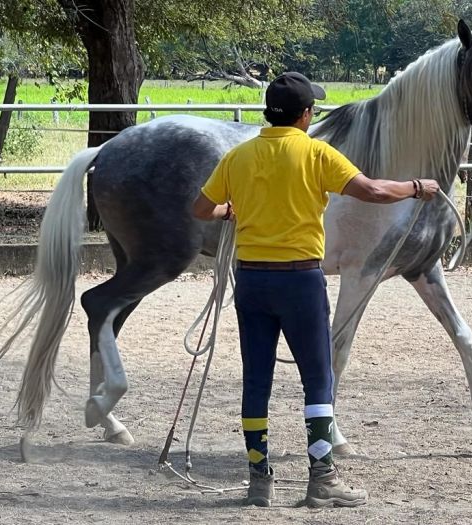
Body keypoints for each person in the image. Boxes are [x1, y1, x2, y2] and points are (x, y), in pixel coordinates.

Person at [192, 72, 440, 508]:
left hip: (251, 279)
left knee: (256, 380)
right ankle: (321, 478)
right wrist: (417, 187)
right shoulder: (317, 153)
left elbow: (200, 208)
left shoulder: (239, 156)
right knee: (317, 379)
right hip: (300, 280)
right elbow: (375, 191)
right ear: (306, 115)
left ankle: (258, 480)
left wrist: (230, 210)